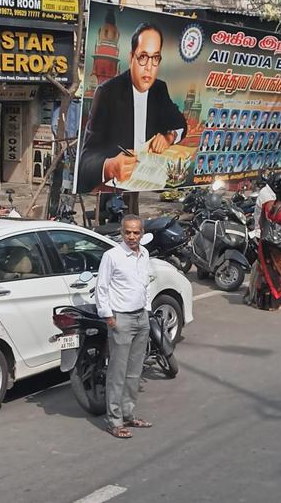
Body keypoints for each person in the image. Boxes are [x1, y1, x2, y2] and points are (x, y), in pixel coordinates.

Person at [77, 24, 189, 192]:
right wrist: (109, 166)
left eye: (155, 58)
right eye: (143, 57)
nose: (149, 67)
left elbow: (181, 124)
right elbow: (86, 159)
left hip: (150, 188)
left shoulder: (159, 89)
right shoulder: (107, 93)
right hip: (117, 191)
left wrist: (169, 137)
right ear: (131, 58)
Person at [95, 215, 153, 439]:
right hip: (121, 320)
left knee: (135, 371)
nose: (131, 236)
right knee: (117, 373)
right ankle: (114, 420)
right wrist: (109, 317)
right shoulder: (112, 256)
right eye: (127, 232)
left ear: (141, 233)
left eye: (136, 232)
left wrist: (146, 308)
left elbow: (144, 283)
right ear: (121, 232)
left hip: (141, 318)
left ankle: (129, 414)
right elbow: (102, 288)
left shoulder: (144, 254)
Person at [250, 175, 281, 311]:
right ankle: (276, 304)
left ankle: (261, 302)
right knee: (278, 274)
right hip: (277, 249)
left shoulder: (266, 206)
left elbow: (260, 222)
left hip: (264, 245)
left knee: (265, 273)